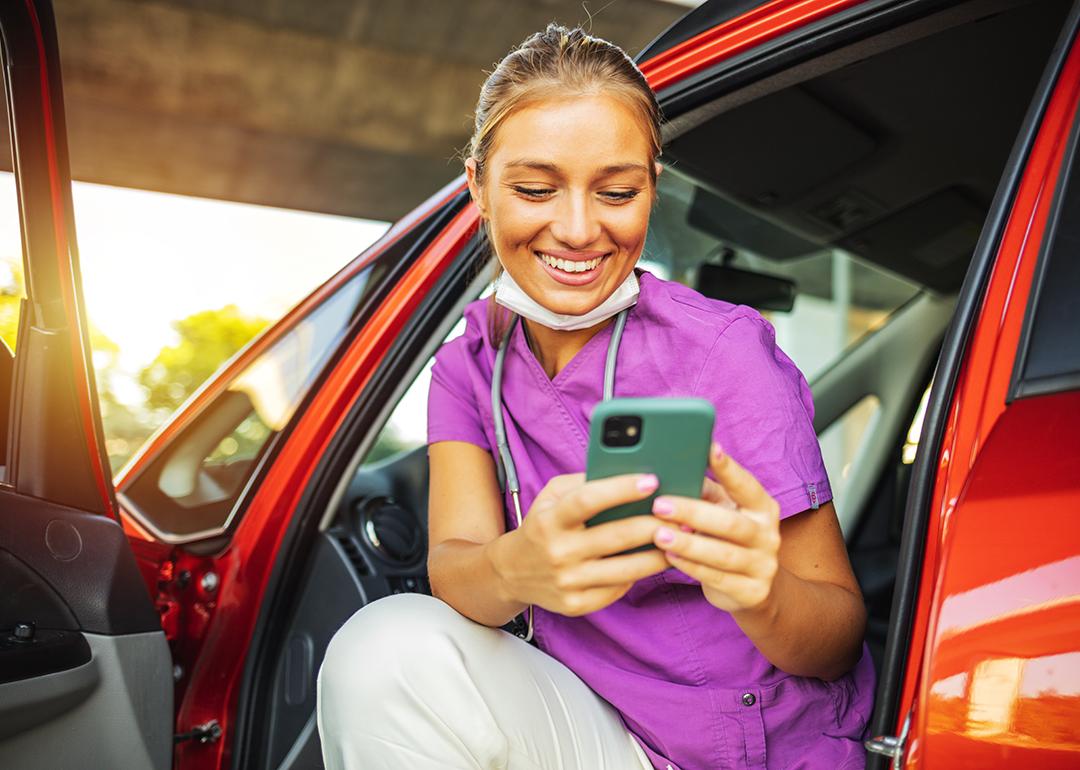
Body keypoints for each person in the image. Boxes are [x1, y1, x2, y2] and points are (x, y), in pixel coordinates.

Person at [317, 23, 875, 770]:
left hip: (750, 745)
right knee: (379, 651)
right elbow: (455, 563)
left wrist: (759, 592)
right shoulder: (468, 368)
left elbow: (835, 638)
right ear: (478, 185)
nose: (578, 230)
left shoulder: (724, 349)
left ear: (653, 185)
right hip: (599, 729)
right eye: (535, 189)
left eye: (617, 191)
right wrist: (519, 567)